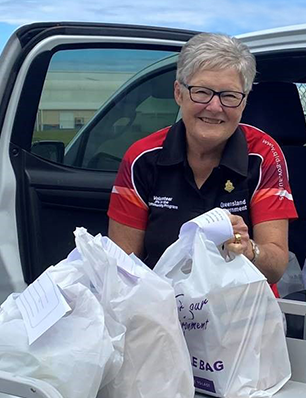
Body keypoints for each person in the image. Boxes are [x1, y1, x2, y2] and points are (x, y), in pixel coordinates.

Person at [107, 32, 297, 286]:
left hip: (241, 314)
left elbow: (275, 267)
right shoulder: (142, 158)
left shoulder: (263, 154)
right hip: (162, 311)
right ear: (179, 93)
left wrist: (248, 247)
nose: (214, 107)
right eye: (202, 92)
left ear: (244, 101)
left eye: (229, 95)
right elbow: (122, 266)